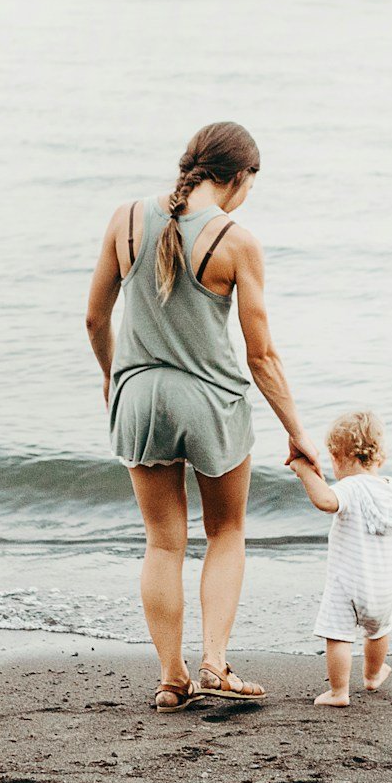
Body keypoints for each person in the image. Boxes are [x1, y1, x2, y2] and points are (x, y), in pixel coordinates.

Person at [85, 121, 317, 711]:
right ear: (239, 177)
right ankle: (215, 661)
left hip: (140, 396)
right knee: (226, 532)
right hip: (211, 399)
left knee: (163, 544)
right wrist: (298, 433)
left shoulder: (126, 218)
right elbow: (261, 354)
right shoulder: (236, 241)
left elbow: (94, 319)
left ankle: (171, 678)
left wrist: (116, 378)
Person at [287, 410, 392, 707]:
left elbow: (325, 501)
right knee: (378, 631)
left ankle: (339, 692)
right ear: (379, 457)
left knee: (338, 636)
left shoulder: (350, 488)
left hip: (348, 584)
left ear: (338, 457)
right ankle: (373, 675)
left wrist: (304, 471)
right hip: (385, 586)